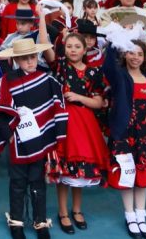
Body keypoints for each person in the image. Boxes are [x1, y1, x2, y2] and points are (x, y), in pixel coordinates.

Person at [0, 38, 67, 239]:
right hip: (18, 141)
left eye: (33, 57)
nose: (30, 61)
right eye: (25, 58)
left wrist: (51, 133)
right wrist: (8, 135)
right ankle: (17, 222)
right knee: (17, 182)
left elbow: (57, 104)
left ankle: (40, 222)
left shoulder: (47, 79)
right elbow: (0, 110)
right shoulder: (7, 81)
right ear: (17, 60)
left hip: (40, 139)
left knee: (38, 182)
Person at [40, 18, 108, 234]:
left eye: (77, 46)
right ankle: (63, 212)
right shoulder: (59, 65)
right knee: (64, 168)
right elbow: (44, 44)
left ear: (86, 47)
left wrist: (78, 97)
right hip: (62, 122)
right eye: (69, 46)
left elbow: (98, 102)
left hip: (85, 125)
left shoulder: (94, 72)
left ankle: (77, 210)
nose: (73, 50)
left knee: (80, 171)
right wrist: (41, 17)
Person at [102, 38, 146, 238]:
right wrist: (115, 42)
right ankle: (129, 215)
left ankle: (141, 215)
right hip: (124, 135)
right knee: (127, 174)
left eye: (139, 54)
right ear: (125, 54)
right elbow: (108, 67)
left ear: (144, 56)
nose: (135, 57)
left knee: (143, 176)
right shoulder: (119, 77)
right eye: (131, 53)